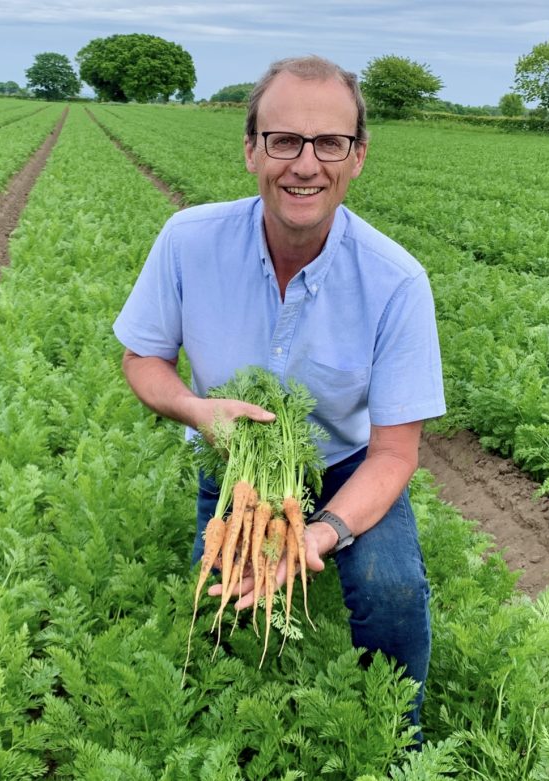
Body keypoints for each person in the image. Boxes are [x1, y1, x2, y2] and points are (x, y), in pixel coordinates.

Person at [112, 55, 445, 743]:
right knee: (221, 599)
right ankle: (216, 727)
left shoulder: (397, 282)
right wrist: (198, 411)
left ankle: (394, 737)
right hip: (233, 460)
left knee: (391, 591)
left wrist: (318, 531)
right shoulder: (188, 242)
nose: (305, 164)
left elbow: (393, 452)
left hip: (348, 461)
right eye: (284, 140)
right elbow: (143, 358)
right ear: (251, 150)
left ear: (358, 157)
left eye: (329, 143)